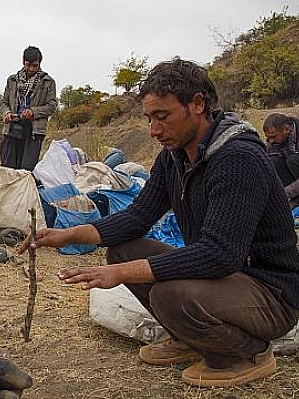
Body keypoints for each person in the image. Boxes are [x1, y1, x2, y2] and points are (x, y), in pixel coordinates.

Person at [19, 58, 299, 388]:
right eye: (150, 118)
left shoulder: (238, 158)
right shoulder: (174, 157)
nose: (153, 130)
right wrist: (67, 235)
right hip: (225, 280)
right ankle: (189, 338)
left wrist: (119, 275)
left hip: (270, 291)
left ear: (198, 104)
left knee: (169, 294)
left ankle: (246, 354)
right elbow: (137, 216)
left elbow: (219, 254)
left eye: (162, 117)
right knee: (122, 250)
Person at [0, 46, 57, 171]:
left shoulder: (48, 82)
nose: (31, 69)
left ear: (39, 63)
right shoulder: (12, 80)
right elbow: (3, 103)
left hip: (34, 130)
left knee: (26, 169)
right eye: (28, 65)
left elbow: (52, 105)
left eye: (34, 66)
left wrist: (33, 112)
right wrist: (7, 113)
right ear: (23, 62)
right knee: (7, 168)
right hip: (12, 128)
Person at [263, 112, 299, 206]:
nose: (270, 141)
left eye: (273, 137)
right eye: (268, 138)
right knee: (272, 162)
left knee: (292, 159)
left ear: (287, 129)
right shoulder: (274, 141)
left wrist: (284, 193)